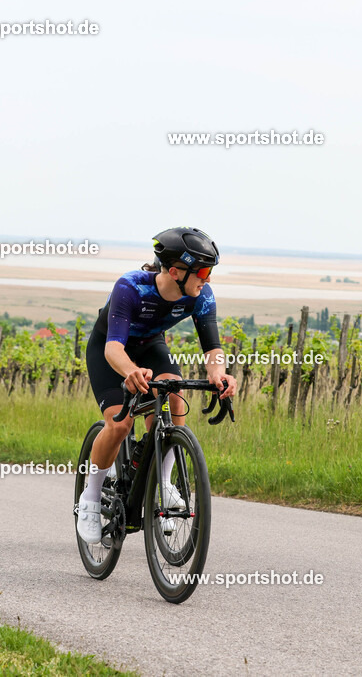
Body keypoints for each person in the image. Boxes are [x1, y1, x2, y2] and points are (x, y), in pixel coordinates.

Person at [77, 227, 237, 543]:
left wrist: (219, 374)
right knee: (120, 424)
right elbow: (112, 349)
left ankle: (163, 483)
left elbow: (213, 349)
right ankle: (91, 499)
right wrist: (130, 372)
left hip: (150, 346)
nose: (208, 278)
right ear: (175, 271)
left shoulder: (200, 295)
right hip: (111, 350)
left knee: (174, 394)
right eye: (203, 271)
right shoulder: (131, 287)